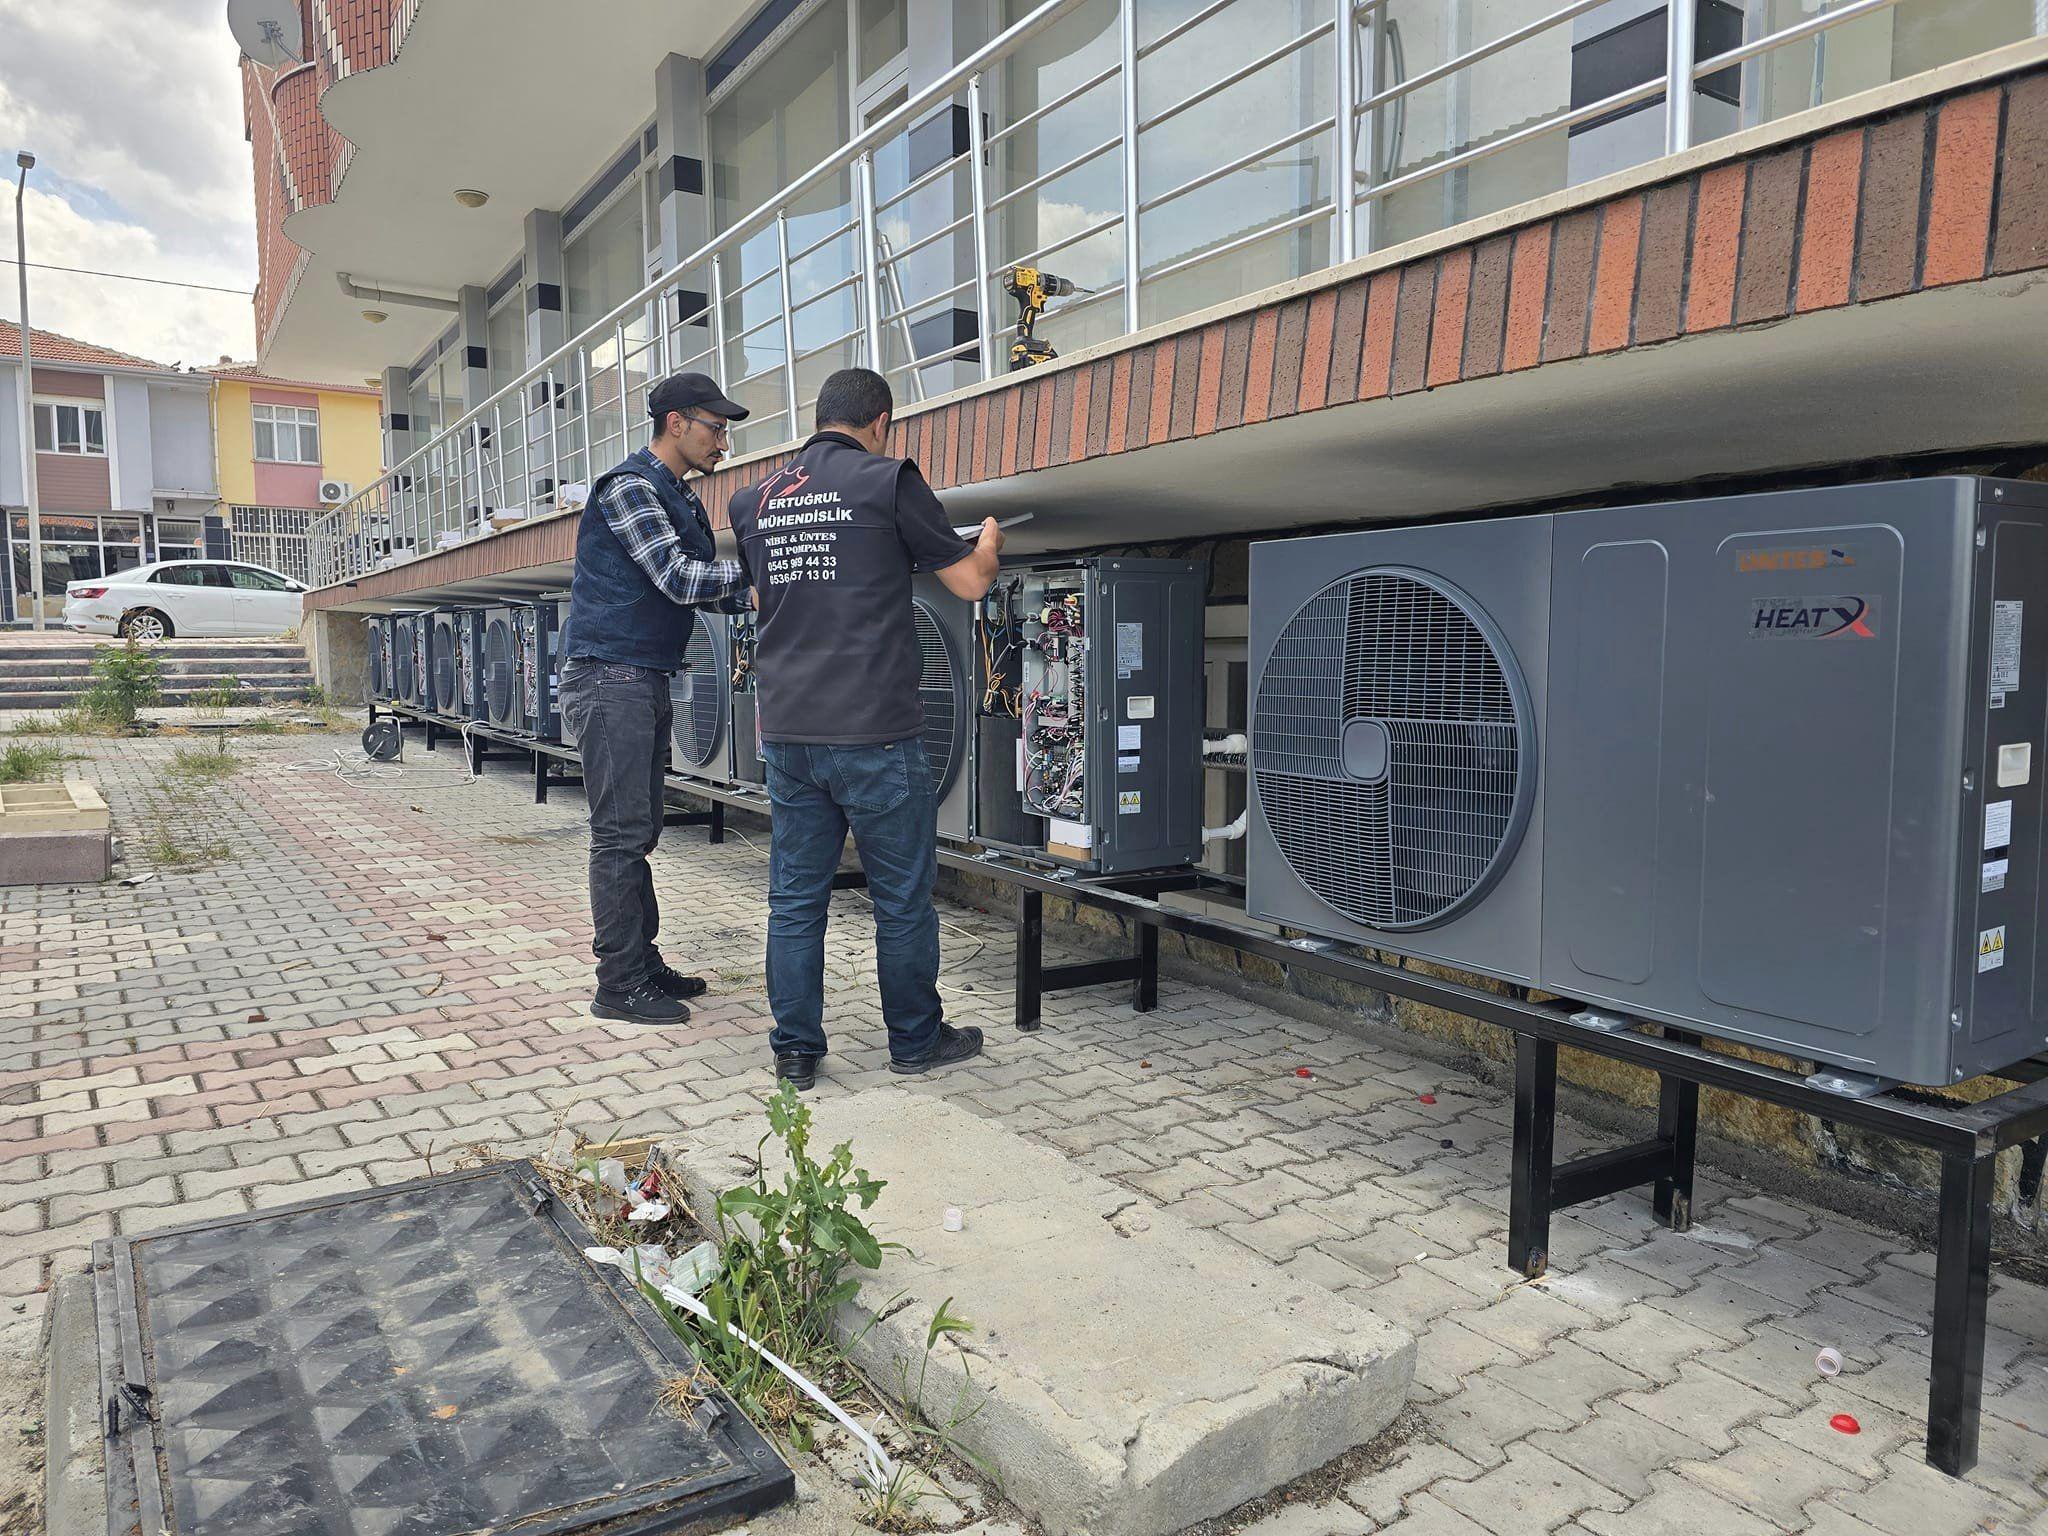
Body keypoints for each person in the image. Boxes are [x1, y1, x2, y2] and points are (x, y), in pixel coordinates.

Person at [729, 367, 1003, 1090]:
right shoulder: (888, 482)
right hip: (876, 733)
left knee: (794, 898)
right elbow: (970, 583)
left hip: (788, 732)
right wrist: (990, 545)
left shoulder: (751, 499)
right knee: (900, 898)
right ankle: (915, 1041)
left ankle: (796, 1051)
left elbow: (766, 593)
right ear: (880, 421)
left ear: (820, 418)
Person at [557, 373, 752, 1025]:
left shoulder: (677, 494)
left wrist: (772, 591)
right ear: (677, 422)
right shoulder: (633, 488)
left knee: (639, 830)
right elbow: (677, 576)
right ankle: (617, 985)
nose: (723, 441)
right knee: (618, 834)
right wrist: (766, 573)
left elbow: (710, 589)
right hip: (610, 675)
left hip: (639, 676)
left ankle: (642, 961)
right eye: (715, 428)